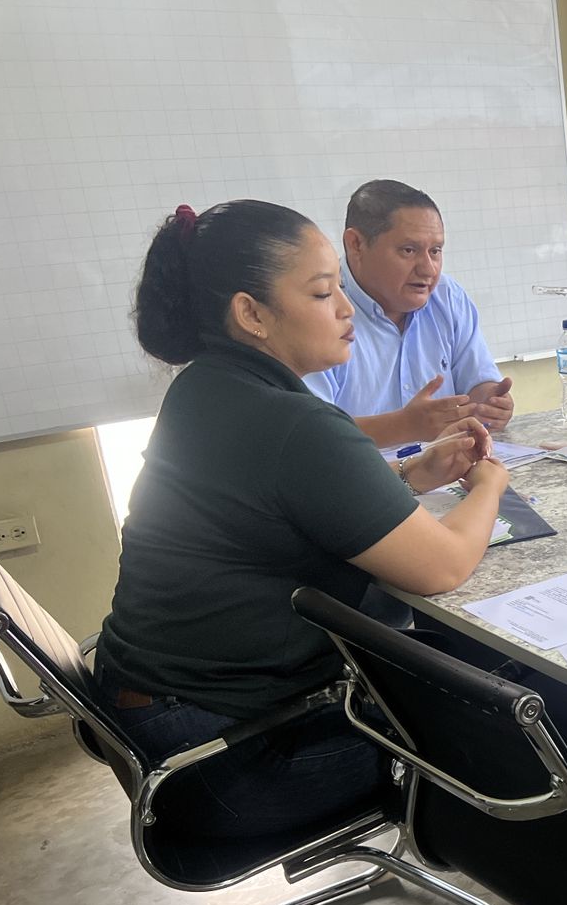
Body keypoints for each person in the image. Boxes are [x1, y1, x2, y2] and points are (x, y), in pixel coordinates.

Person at [96, 200, 510, 840]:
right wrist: (488, 484)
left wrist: (410, 474)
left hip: (149, 716)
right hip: (222, 758)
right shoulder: (295, 423)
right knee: (514, 725)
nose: (347, 309)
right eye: (322, 293)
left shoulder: (206, 387)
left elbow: (282, 505)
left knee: (457, 677)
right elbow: (444, 566)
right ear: (251, 314)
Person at [304, 179, 515, 447]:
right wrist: (403, 426)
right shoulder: (317, 309)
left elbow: (478, 383)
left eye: (435, 251)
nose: (428, 269)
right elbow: (311, 433)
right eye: (408, 250)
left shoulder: (447, 297)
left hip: (449, 465)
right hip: (360, 470)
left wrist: (490, 404)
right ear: (356, 244)